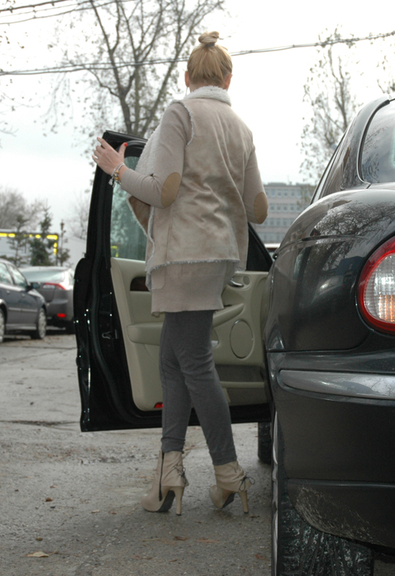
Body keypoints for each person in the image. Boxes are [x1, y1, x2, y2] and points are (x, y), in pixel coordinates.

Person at [92, 31, 268, 516]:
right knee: (174, 362)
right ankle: (168, 473)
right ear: (229, 78)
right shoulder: (241, 127)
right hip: (218, 256)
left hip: (181, 255)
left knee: (194, 363)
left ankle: (230, 473)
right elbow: (258, 207)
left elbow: (162, 190)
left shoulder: (182, 112)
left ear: (187, 77)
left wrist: (116, 168)